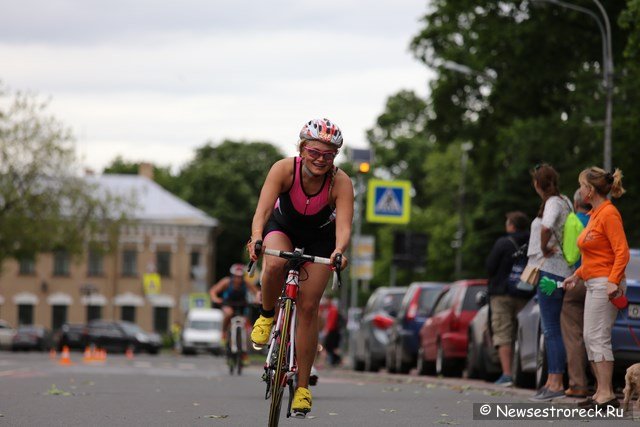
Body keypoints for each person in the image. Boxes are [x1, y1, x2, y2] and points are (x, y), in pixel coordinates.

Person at [247, 118, 354, 417]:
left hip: (321, 239)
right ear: (302, 148)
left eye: (329, 155)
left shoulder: (341, 182)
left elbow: (344, 226)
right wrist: (256, 237)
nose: (321, 159)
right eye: (315, 152)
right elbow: (264, 210)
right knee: (275, 263)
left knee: (308, 306)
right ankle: (267, 316)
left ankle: (303, 388)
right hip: (283, 228)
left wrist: (339, 251)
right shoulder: (283, 169)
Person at [563, 167, 629, 410]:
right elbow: (595, 256)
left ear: (589, 190)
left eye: (581, 185)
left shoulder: (609, 214)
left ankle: (607, 395)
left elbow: (621, 251)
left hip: (605, 285)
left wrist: (614, 280)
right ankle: (602, 392)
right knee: (591, 336)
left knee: (598, 337)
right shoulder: (595, 215)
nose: (580, 190)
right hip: (593, 282)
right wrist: (576, 275)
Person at [527, 164, 574, 402]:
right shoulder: (565, 200)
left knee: (551, 329)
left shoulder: (554, 203)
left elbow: (546, 227)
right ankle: (550, 381)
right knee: (553, 329)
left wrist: (544, 247)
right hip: (561, 272)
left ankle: (555, 382)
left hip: (550, 273)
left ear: (538, 184)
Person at [485, 211, 530, 386]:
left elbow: (490, 266)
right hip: (525, 293)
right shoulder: (532, 242)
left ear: (511, 225)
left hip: (502, 294)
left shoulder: (503, 243)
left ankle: (507, 374)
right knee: (523, 332)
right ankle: (524, 372)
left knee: (503, 332)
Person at [560, 189, 591, 398]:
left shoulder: (573, 221)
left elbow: (570, 255)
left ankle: (578, 383)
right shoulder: (598, 219)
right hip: (599, 280)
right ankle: (602, 385)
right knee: (596, 335)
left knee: (573, 333)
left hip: (579, 279)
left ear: (576, 202)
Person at [209, 263, 260, 340]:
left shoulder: (245, 283)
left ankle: (246, 338)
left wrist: (257, 299)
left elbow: (256, 292)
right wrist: (216, 298)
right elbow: (213, 291)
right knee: (229, 313)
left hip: (242, 305)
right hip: (227, 304)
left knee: (246, 320)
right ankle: (224, 332)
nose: (238, 279)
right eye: (236, 277)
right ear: (232, 276)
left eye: (240, 277)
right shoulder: (226, 282)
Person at [320, 295, 342, 367]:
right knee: (331, 348)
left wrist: (327, 330)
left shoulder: (333, 309)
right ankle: (335, 361)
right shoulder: (329, 309)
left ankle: (324, 362)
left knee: (327, 347)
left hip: (332, 332)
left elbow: (331, 321)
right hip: (332, 331)